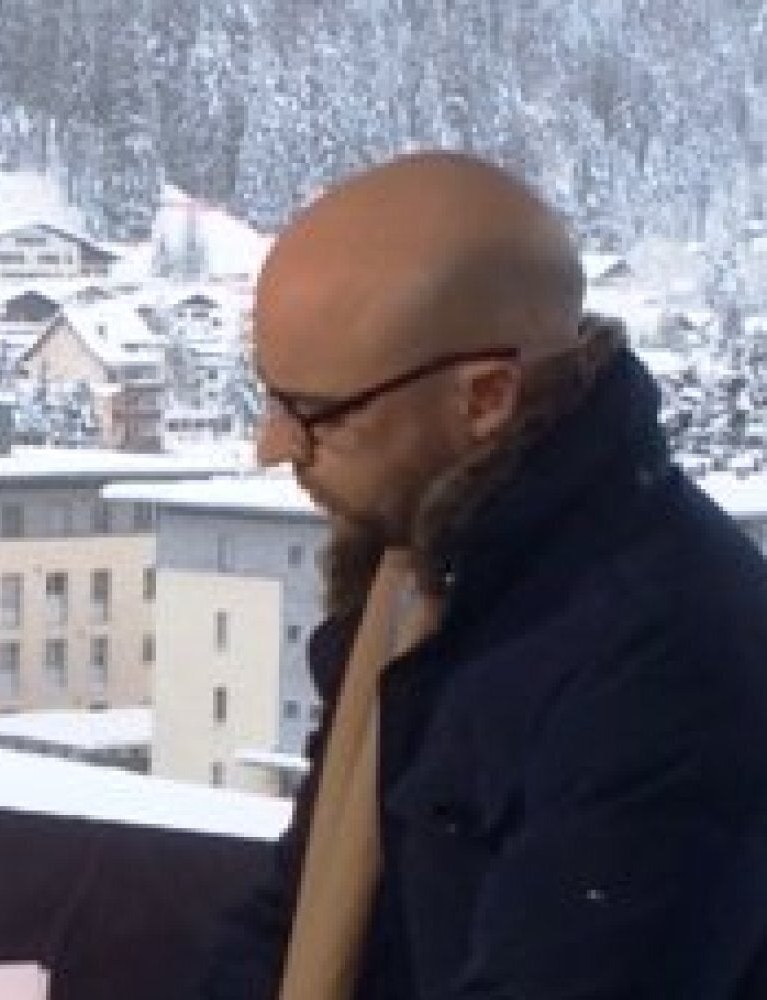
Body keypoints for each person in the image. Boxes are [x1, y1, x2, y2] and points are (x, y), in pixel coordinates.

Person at [205, 151, 767, 999]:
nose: (273, 447)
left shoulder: (673, 655)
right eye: (272, 400)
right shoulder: (417, 581)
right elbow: (290, 924)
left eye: (316, 415)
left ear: (486, 398)